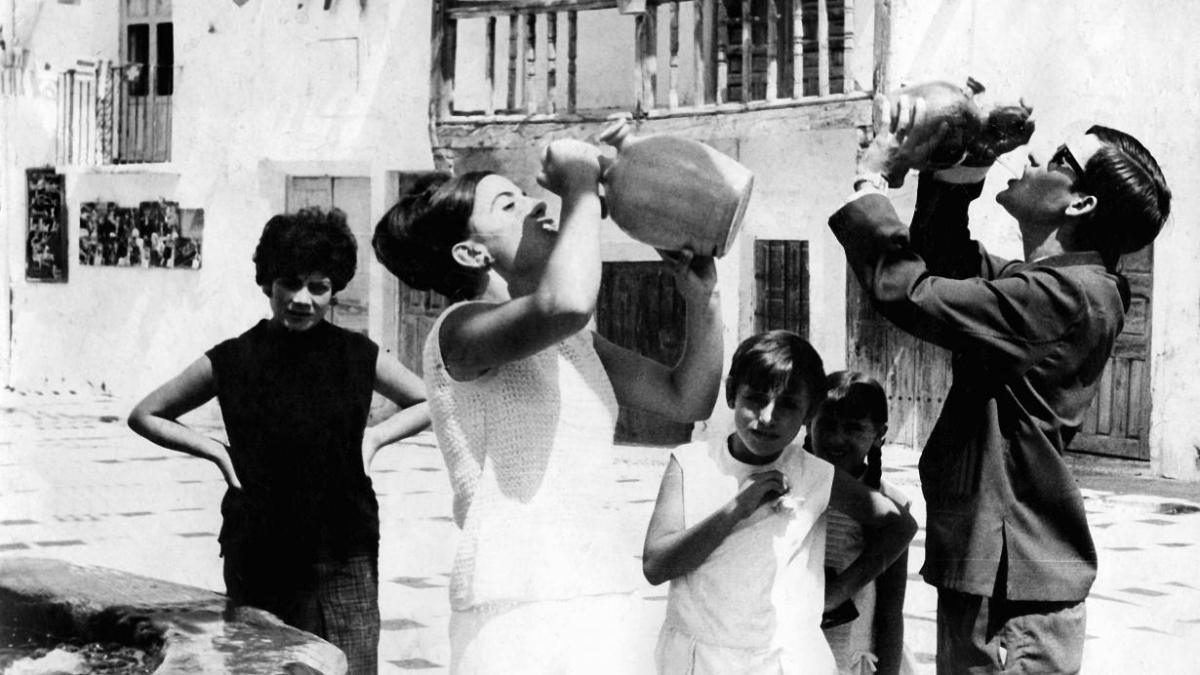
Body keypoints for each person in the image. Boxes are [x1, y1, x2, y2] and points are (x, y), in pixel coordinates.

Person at [829, 96, 1172, 674]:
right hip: (995, 577)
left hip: (1013, 596)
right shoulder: (1055, 286)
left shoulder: (1062, 297)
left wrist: (870, 183)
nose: (1035, 155)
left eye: (1059, 158)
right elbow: (946, 261)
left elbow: (912, 293)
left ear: (1081, 202)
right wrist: (969, 157)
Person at [372, 140, 725, 674]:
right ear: (471, 254)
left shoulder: (574, 340)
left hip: (599, 589)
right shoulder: (458, 332)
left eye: (525, 194)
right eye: (509, 205)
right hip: (514, 606)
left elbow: (686, 397)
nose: (538, 205)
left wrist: (703, 299)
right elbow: (565, 302)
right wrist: (582, 184)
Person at [128, 207, 430, 675]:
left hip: (342, 548)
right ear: (268, 282)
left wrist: (373, 440)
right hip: (259, 547)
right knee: (262, 667)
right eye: (290, 282)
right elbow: (146, 413)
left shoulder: (357, 354)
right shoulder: (232, 359)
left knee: (350, 666)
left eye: (319, 286)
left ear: (335, 290)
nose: (302, 299)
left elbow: (426, 401)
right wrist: (216, 452)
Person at [641, 330, 917, 674]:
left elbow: (899, 525)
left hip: (785, 660)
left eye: (787, 404)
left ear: (808, 413)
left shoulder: (815, 474)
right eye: (756, 398)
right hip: (700, 658)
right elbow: (656, 566)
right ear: (731, 394)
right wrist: (736, 509)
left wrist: (835, 593)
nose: (768, 416)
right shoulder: (690, 464)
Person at [808, 371, 914, 675]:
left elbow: (891, 611)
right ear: (808, 421)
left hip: (850, 659)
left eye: (854, 428)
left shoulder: (890, 505)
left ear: (879, 434)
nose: (836, 438)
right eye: (827, 423)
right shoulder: (788, 485)